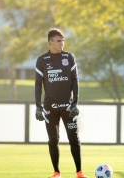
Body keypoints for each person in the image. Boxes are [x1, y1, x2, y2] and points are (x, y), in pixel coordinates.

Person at [35, 28, 88, 178]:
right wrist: (38, 107)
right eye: (59, 41)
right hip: (49, 109)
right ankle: (56, 172)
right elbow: (38, 85)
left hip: (68, 107)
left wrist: (75, 103)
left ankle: (79, 172)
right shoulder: (42, 60)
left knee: (74, 139)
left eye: (63, 40)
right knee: (53, 140)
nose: (62, 43)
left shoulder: (69, 57)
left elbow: (75, 81)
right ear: (50, 42)